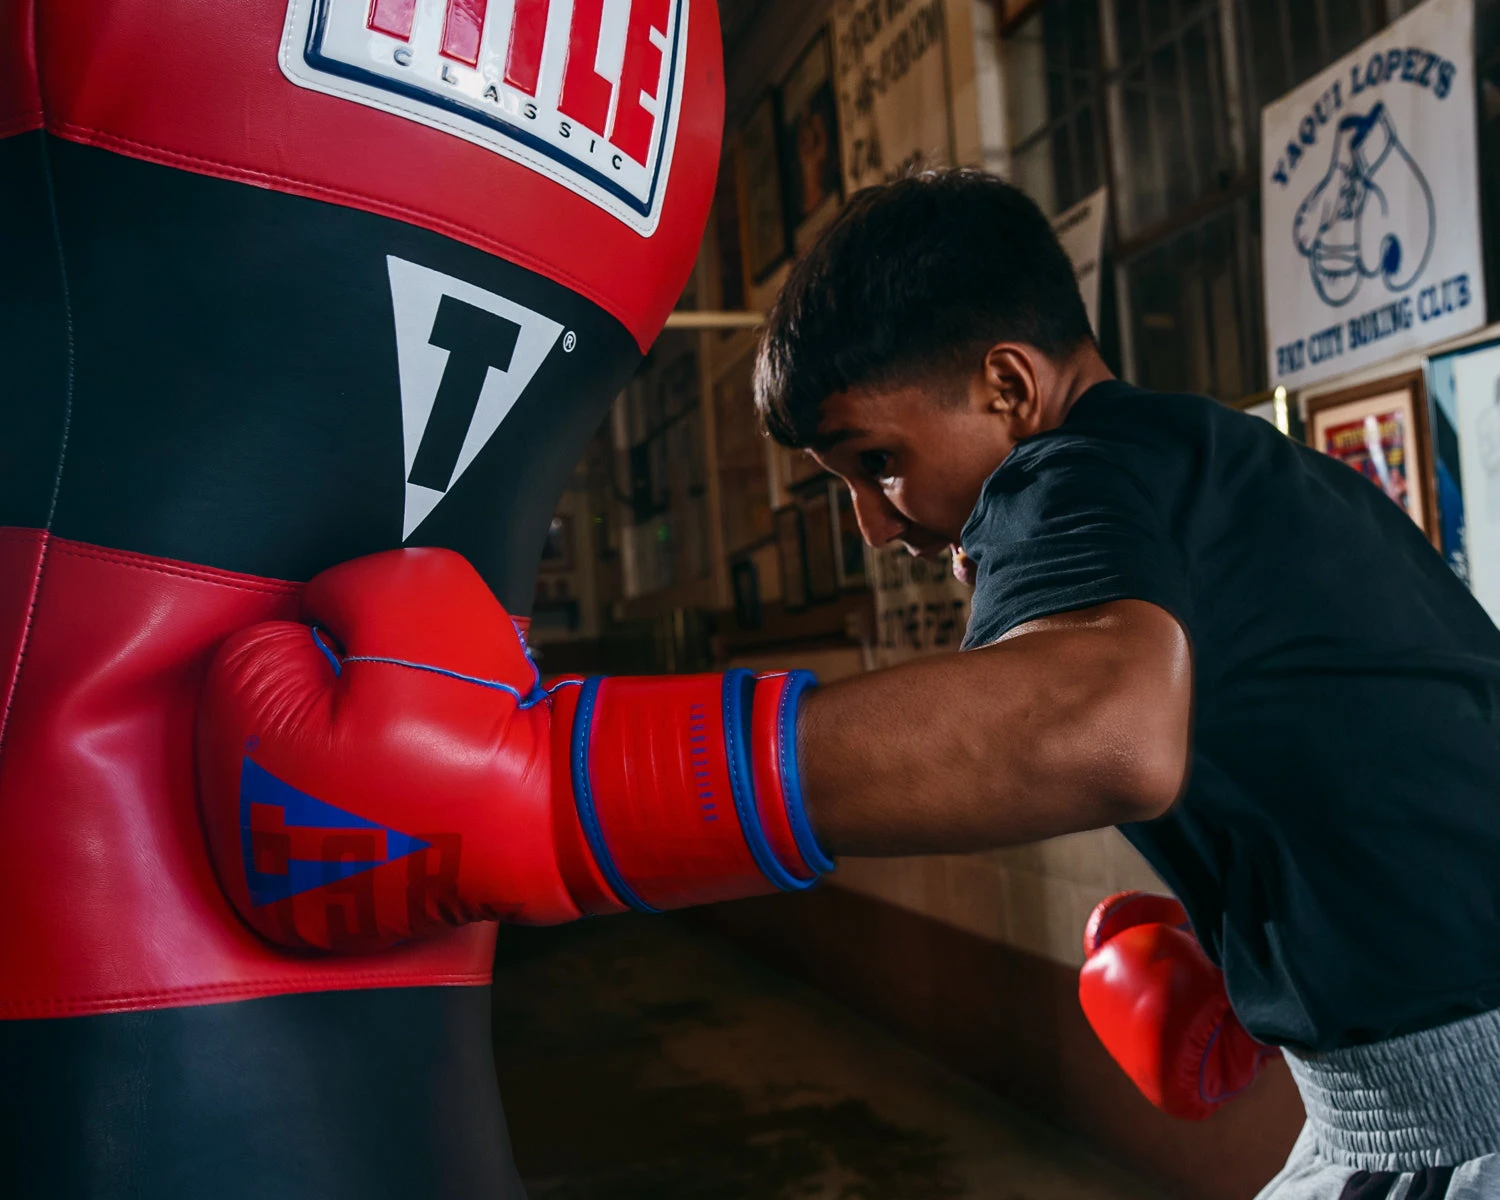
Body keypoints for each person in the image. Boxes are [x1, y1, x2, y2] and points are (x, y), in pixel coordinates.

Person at [197, 169, 1500, 1199]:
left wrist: (553, 791)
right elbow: (1394, 711)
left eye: (875, 461)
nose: (881, 524)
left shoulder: (1072, 469)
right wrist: (1276, 943)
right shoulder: (1209, 469)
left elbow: (1100, 721)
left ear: (1006, 382)